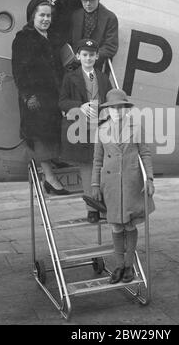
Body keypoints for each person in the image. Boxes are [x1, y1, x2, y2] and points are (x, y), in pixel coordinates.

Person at [91, 89, 155, 283]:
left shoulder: (136, 128)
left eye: (120, 108)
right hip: (110, 184)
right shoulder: (101, 130)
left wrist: (149, 178)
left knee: (129, 224)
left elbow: (145, 154)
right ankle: (118, 265)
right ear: (107, 111)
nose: (117, 112)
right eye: (113, 109)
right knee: (116, 226)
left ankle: (128, 266)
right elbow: (97, 160)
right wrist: (95, 184)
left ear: (126, 110)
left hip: (131, 182)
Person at [12, 0, 70, 195]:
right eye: (41, 16)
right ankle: (50, 178)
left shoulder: (52, 37)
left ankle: (53, 169)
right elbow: (18, 72)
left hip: (54, 95)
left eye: (48, 16)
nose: (46, 19)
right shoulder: (24, 38)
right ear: (32, 17)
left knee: (52, 132)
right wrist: (29, 97)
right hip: (36, 98)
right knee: (40, 136)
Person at [58, 38, 112, 222]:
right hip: (81, 129)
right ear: (78, 56)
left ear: (97, 56)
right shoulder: (70, 77)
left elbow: (111, 101)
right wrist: (80, 105)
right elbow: (62, 102)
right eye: (84, 55)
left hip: (101, 128)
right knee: (87, 170)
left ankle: (104, 206)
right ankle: (92, 209)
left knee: (102, 168)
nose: (88, 58)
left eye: (91, 55)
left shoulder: (104, 78)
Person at [67, 0, 118, 70]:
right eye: (84, 0)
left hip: (94, 68)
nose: (88, 3)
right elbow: (69, 39)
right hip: (73, 67)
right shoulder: (75, 15)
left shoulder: (110, 18)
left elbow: (111, 47)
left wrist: (87, 57)